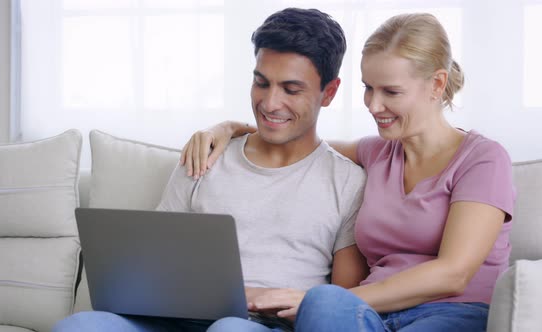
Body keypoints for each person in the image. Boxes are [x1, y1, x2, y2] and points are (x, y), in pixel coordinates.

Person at [182, 13, 515, 332]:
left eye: (391, 92)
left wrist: (320, 301)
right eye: (369, 87)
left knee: (324, 302)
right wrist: (227, 128)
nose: (373, 105)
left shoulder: (483, 160)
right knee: (324, 305)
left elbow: (453, 274)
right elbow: (296, 138)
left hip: (450, 314)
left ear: (437, 84)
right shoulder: (376, 153)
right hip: (370, 318)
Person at [52, 8, 368, 332]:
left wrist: (266, 300)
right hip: (172, 320)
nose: (270, 103)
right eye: (261, 83)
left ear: (328, 92)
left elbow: (342, 303)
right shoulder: (205, 156)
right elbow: (152, 263)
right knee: (77, 326)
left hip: (262, 326)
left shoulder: (347, 182)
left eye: (291, 89)